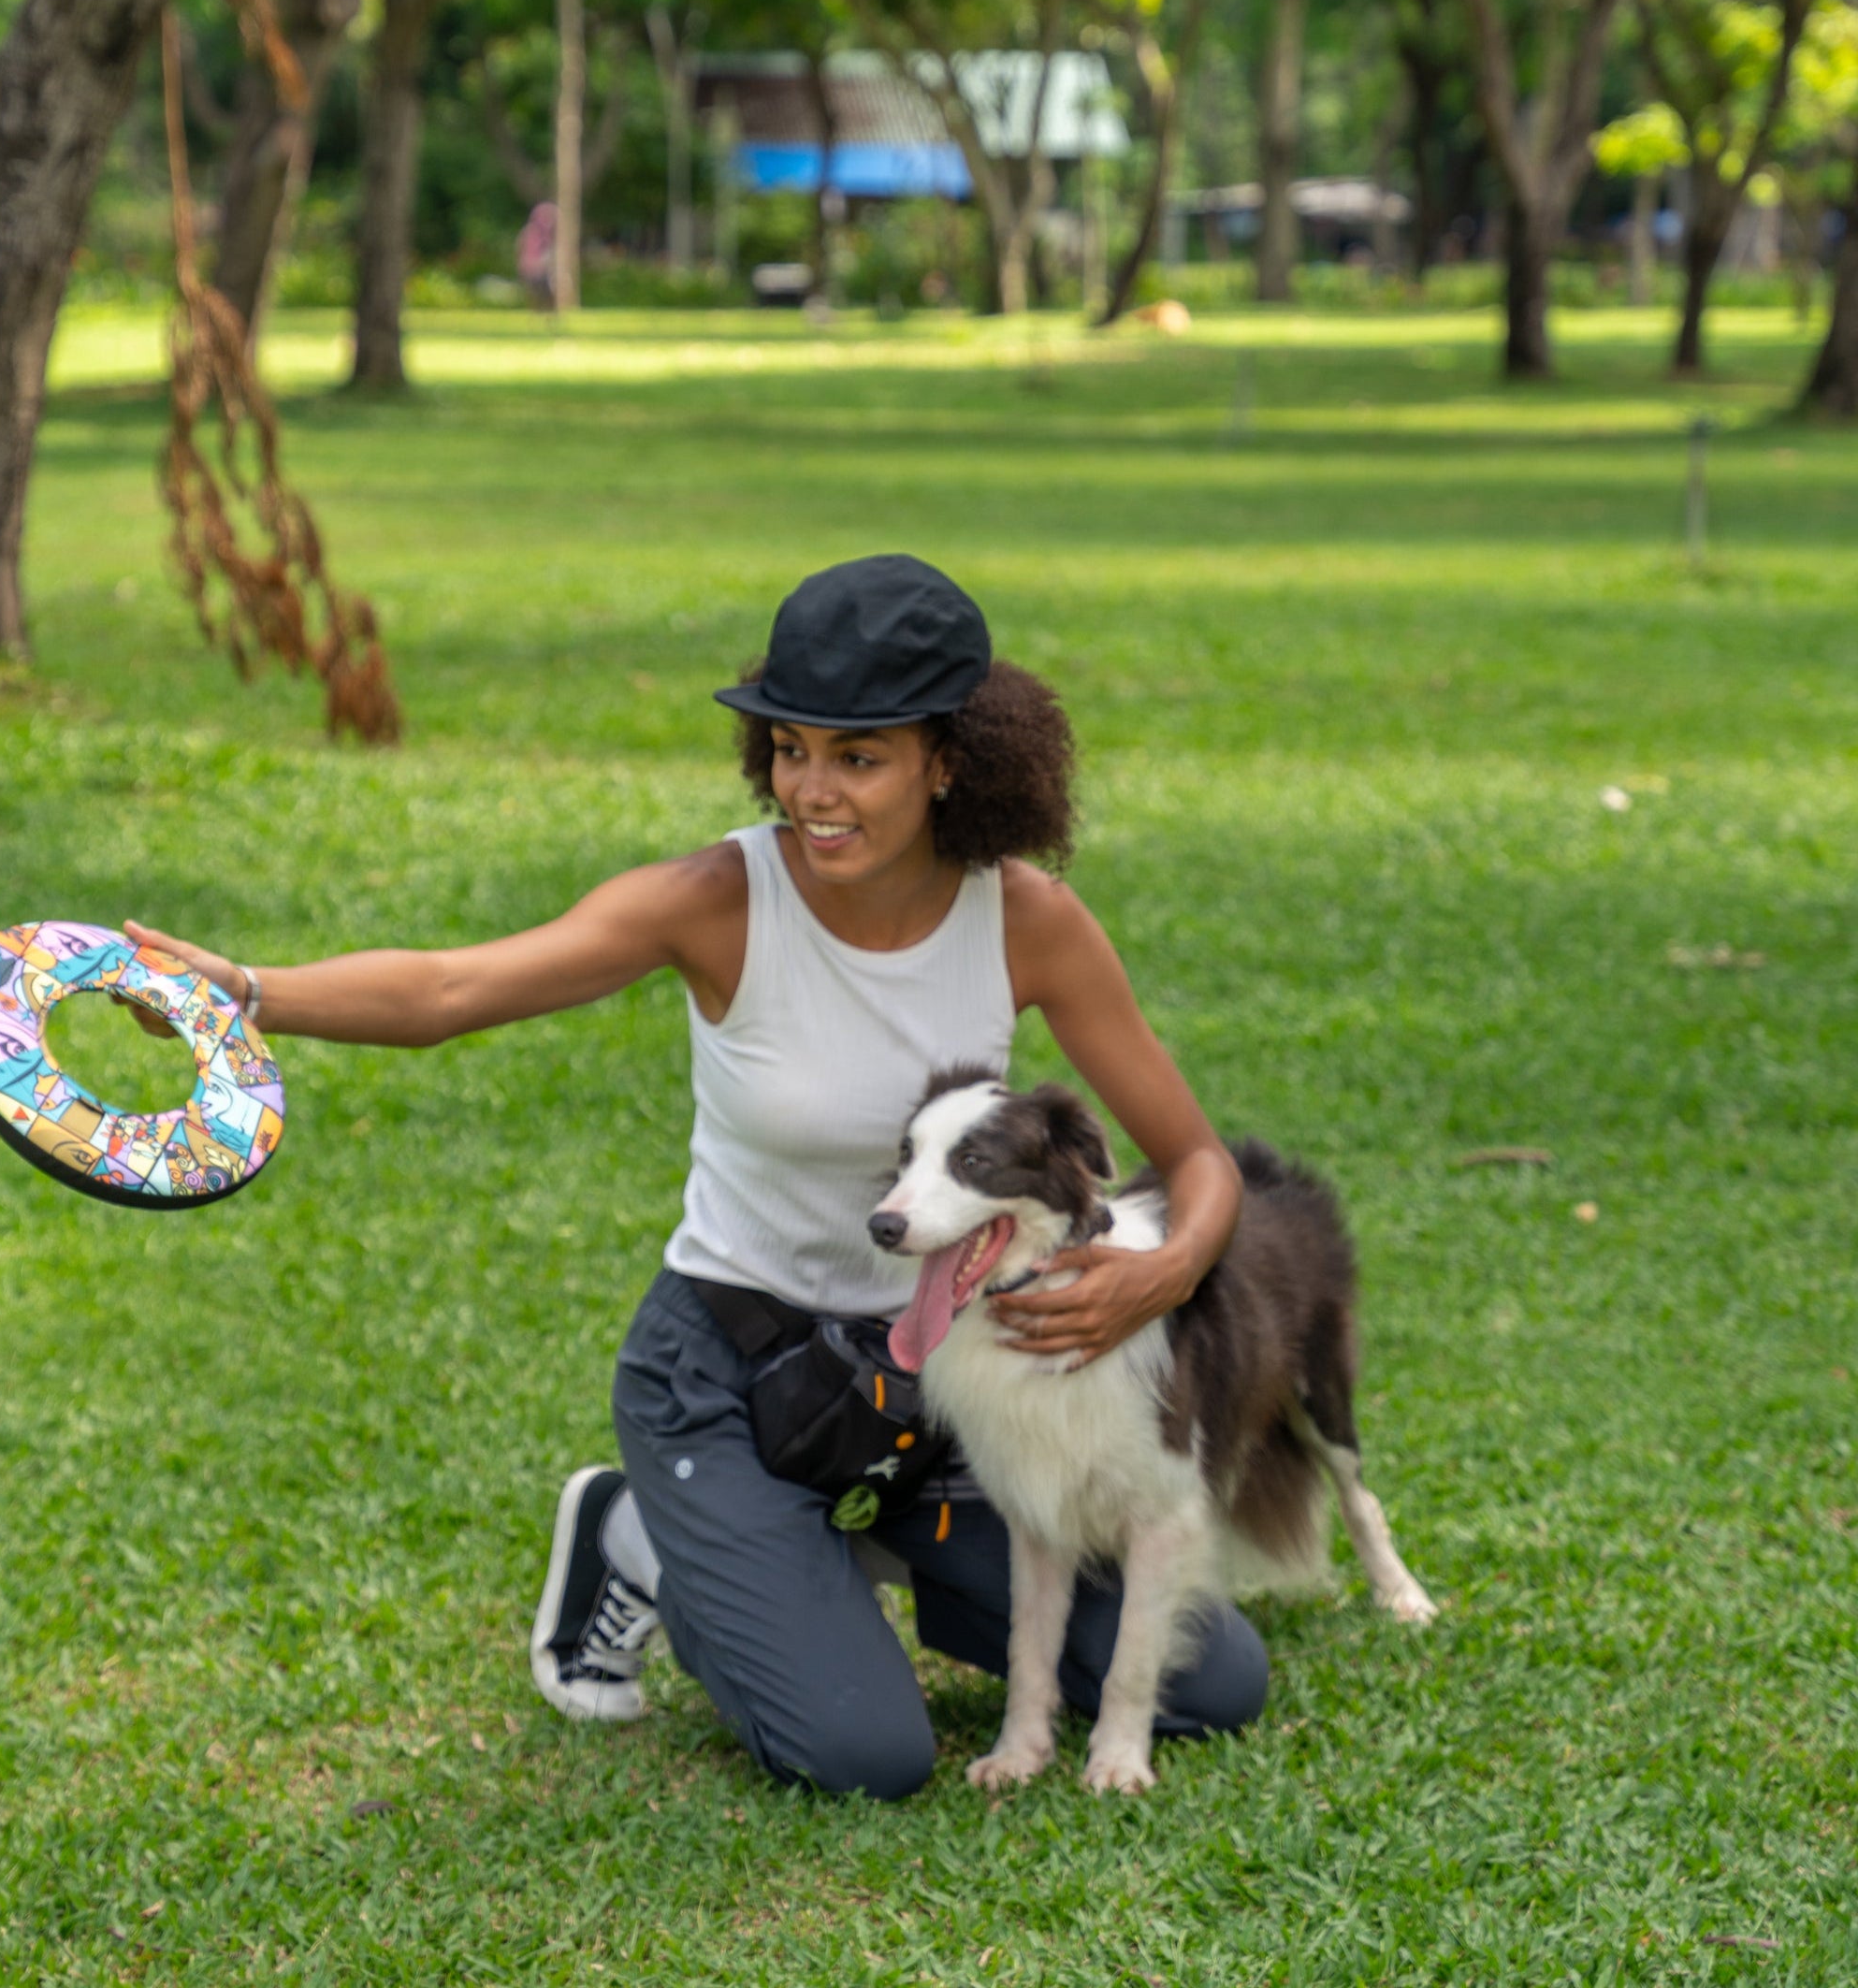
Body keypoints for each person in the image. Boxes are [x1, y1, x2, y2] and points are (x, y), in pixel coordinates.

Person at [126, 555, 1267, 1798]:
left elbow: (1199, 1159)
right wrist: (245, 994)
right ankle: (642, 1536)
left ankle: (838, 1555)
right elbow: (454, 990)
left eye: (858, 759)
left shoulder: (1025, 917)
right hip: (724, 1372)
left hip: (931, 1377)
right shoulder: (719, 901)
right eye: (789, 748)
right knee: (864, 1755)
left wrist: (1163, 1272)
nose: (812, 793)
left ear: (952, 758)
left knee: (1213, 1685)